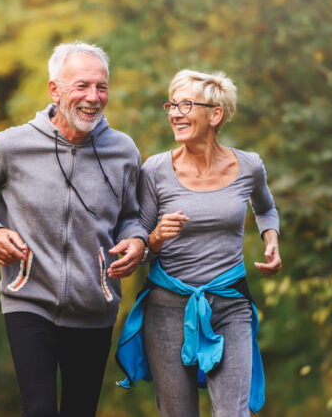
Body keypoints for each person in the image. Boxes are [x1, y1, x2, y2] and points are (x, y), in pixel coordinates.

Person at [0, 41, 148, 417]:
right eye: (82, 86)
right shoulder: (13, 145)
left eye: (101, 86)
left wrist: (137, 240)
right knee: (40, 409)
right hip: (28, 298)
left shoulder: (123, 151)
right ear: (54, 90)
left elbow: (133, 214)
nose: (93, 97)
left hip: (95, 304)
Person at [115, 70, 282, 416]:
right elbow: (141, 246)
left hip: (230, 304)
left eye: (186, 105)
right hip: (166, 309)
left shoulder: (249, 166)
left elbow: (266, 209)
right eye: (171, 105)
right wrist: (157, 236)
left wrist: (272, 239)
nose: (175, 113)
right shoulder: (155, 170)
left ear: (215, 114)